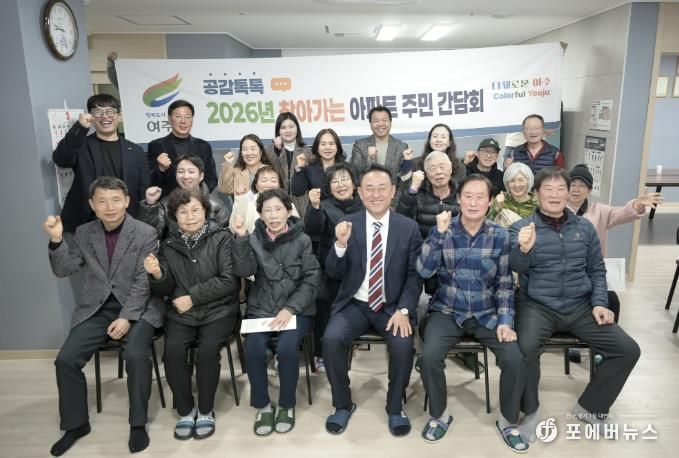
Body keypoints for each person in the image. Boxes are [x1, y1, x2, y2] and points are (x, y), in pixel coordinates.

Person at [509, 167, 640, 443]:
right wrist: (523, 249)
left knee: (628, 350)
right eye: (548, 189)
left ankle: (591, 407)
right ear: (537, 194)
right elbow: (515, 267)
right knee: (525, 349)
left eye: (561, 189)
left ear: (569, 193)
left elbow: (597, 270)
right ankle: (530, 411)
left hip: (580, 306)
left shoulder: (585, 228)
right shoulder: (522, 228)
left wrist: (599, 303)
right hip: (538, 306)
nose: (555, 194)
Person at [43, 177, 164, 455]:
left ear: (127, 201)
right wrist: (57, 239)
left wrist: (127, 317)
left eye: (116, 200)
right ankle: (76, 424)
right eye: (102, 201)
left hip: (139, 306)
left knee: (135, 354)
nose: (110, 207)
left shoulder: (145, 232)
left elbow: (143, 282)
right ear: (92, 204)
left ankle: (138, 423)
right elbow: (64, 269)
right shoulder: (84, 232)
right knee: (65, 360)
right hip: (97, 307)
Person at [416, 175, 527, 451]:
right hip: (447, 310)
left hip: (486, 313)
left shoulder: (499, 235)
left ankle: (508, 420)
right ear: (458, 200)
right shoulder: (444, 229)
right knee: (428, 357)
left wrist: (505, 321)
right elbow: (424, 271)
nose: (473, 202)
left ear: (490, 202)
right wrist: (438, 234)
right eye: (468, 196)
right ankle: (439, 416)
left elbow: (505, 284)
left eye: (480, 197)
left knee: (514, 358)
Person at [322, 164, 423, 437]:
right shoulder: (348, 224)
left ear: (393, 191)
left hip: (392, 307)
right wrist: (340, 245)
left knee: (403, 345)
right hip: (355, 304)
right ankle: (342, 404)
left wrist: (404, 309)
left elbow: (415, 276)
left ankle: (395, 408)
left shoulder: (408, 227)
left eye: (382, 188)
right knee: (330, 339)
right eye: (369, 189)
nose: (376, 194)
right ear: (360, 193)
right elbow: (333, 272)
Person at [144, 187, 239, 441]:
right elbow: (165, 289)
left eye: (195, 210)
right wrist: (157, 274)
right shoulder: (167, 245)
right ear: (174, 216)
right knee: (172, 353)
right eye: (183, 212)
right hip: (181, 313)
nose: (190, 216)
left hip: (219, 310)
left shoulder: (222, 238)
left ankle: (206, 410)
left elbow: (229, 281)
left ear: (205, 211)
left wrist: (193, 298)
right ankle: (186, 411)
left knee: (207, 352)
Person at [231, 189, 320, 436]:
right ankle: (262, 406)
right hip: (262, 306)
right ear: (260, 214)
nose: (273, 215)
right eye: (267, 210)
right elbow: (244, 270)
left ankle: (286, 405)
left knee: (287, 349)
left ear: (288, 211)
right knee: (254, 349)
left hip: (297, 308)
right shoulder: (253, 238)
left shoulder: (302, 239)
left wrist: (290, 308)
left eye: (278, 209)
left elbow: (312, 278)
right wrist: (240, 238)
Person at [565, 163, 662, 362]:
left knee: (611, 300)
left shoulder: (599, 211)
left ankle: (603, 348)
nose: (576, 189)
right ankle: (571, 345)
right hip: (566, 273)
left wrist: (637, 204)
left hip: (592, 272)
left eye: (581, 185)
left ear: (589, 190)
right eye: (572, 184)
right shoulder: (557, 210)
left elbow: (622, 213)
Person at [53, 94, 149, 233]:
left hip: (125, 223)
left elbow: (143, 189)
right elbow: (60, 159)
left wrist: (141, 224)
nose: (105, 116)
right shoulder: (81, 145)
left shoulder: (136, 151)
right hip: (85, 221)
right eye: (98, 112)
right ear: (91, 117)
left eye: (110, 111)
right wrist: (80, 127)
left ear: (119, 116)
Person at [304, 164, 364, 373]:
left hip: (359, 269)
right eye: (335, 181)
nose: (341, 184)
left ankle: (350, 339)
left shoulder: (364, 204)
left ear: (354, 184)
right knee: (323, 301)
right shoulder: (324, 205)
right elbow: (312, 229)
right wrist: (314, 206)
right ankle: (321, 352)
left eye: (345, 179)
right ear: (329, 187)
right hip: (331, 268)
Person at [139, 155, 229, 238]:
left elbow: (226, 236)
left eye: (191, 171)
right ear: (176, 175)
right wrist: (150, 204)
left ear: (201, 176)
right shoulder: (166, 204)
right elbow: (151, 235)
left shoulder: (215, 204)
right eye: (181, 172)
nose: (186, 176)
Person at [147, 100, 218, 196]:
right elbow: (149, 181)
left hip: (196, 200)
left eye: (187, 117)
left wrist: (197, 196)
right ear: (169, 119)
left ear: (192, 120)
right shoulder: (156, 146)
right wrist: (160, 169)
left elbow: (211, 178)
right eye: (178, 116)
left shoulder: (204, 146)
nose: (183, 121)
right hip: (168, 201)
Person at [350, 106, 414, 187]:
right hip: (367, 193)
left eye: (384, 120)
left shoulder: (401, 147)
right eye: (376, 121)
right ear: (370, 124)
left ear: (390, 123)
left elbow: (404, 177)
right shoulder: (359, 146)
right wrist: (369, 159)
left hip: (393, 193)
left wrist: (407, 162)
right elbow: (355, 173)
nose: (380, 124)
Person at [229, 165, 299, 235]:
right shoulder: (247, 204)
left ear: (279, 186)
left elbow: (297, 228)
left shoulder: (288, 205)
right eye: (264, 180)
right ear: (257, 186)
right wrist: (240, 199)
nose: (268, 184)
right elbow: (233, 228)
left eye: (273, 181)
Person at [265, 112, 311, 220]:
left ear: (297, 128)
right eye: (283, 127)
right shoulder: (270, 150)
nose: (288, 130)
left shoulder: (307, 151)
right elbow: (272, 170)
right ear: (278, 131)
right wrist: (277, 150)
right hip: (277, 202)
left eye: (291, 126)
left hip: (302, 203)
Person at [291, 128, 347, 199]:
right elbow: (297, 192)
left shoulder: (347, 168)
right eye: (323, 144)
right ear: (317, 148)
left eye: (331, 144)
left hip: (343, 206)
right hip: (318, 205)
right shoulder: (310, 169)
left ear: (337, 147)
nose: (327, 147)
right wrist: (300, 167)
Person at [487, 162, 537, 227]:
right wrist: (496, 208)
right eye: (512, 180)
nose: (517, 185)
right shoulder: (501, 200)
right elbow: (487, 225)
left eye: (521, 180)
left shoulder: (537, 203)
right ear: (507, 184)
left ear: (529, 181)